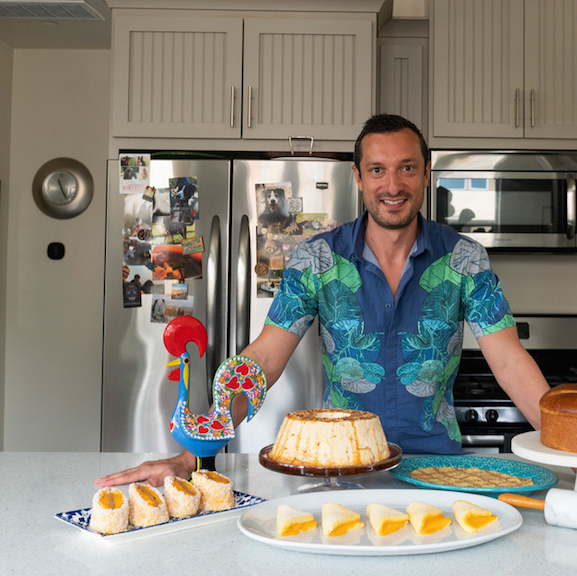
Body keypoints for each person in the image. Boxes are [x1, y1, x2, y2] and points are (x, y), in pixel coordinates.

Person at [97, 114, 551, 488]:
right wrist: (190, 457)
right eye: (377, 169)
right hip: (340, 471)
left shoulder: (466, 258)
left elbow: (510, 363)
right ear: (358, 176)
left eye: (407, 168)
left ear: (426, 172)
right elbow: (264, 362)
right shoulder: (315, 258)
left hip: (436, 470)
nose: (392, 185)